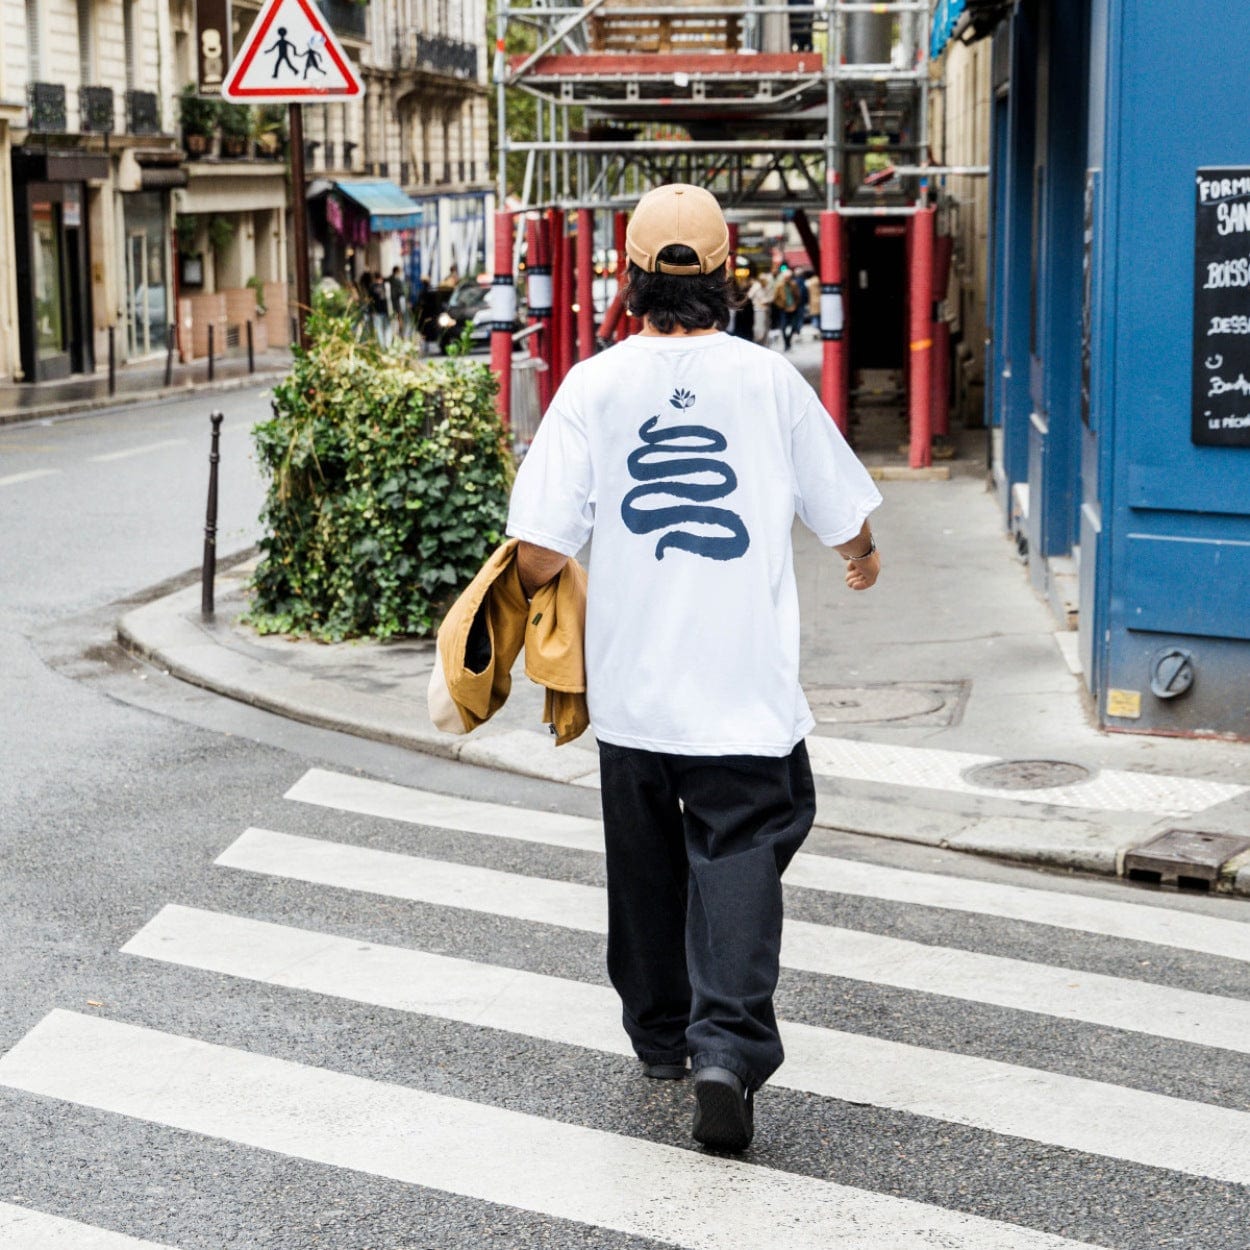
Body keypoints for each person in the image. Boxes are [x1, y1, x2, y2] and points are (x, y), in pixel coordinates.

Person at [505, 183, 882, 1153]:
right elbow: (846, 519)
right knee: (745, 841)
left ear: (628, 279)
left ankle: (659, 1034)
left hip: (631, 691)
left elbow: (537, 551)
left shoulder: (591, 386)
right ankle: (727, 1045)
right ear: (724, 275)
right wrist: (858, 557)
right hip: (741, 693)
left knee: (642, 865)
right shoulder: (767, 381)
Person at [746, 265, 774, 345]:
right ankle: (758, 341)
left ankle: (765, 342)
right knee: (758, 326)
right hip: (758, 309)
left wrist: (766, 301)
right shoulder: (756, 286)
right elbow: (749, 295)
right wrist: (757, 302)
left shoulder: (769, 286)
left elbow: (771, 297)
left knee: (767, 326)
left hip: (766, 309)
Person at [387, 266, 408, 338]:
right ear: (397, 271)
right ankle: (400, 334)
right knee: (399, 318)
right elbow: (402, 292)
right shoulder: (398, 281)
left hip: (388, 303)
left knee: (392, 319)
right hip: (396, 303)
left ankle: (393, 334)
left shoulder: (388, 279)